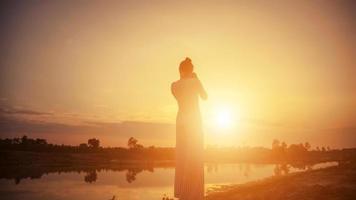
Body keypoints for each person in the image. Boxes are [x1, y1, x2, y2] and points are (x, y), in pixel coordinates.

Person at [171, 57, 207, 200]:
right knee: (195, 156)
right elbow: (205, 97)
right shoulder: (195, 82)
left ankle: (182, 193)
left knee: (182, 157)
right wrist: (197, 79)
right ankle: (195, 195)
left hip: (181, 122)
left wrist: (188, 79)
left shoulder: (174, 85)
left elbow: (181, 94)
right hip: (194, 122)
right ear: (192, 71)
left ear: (180, 70)